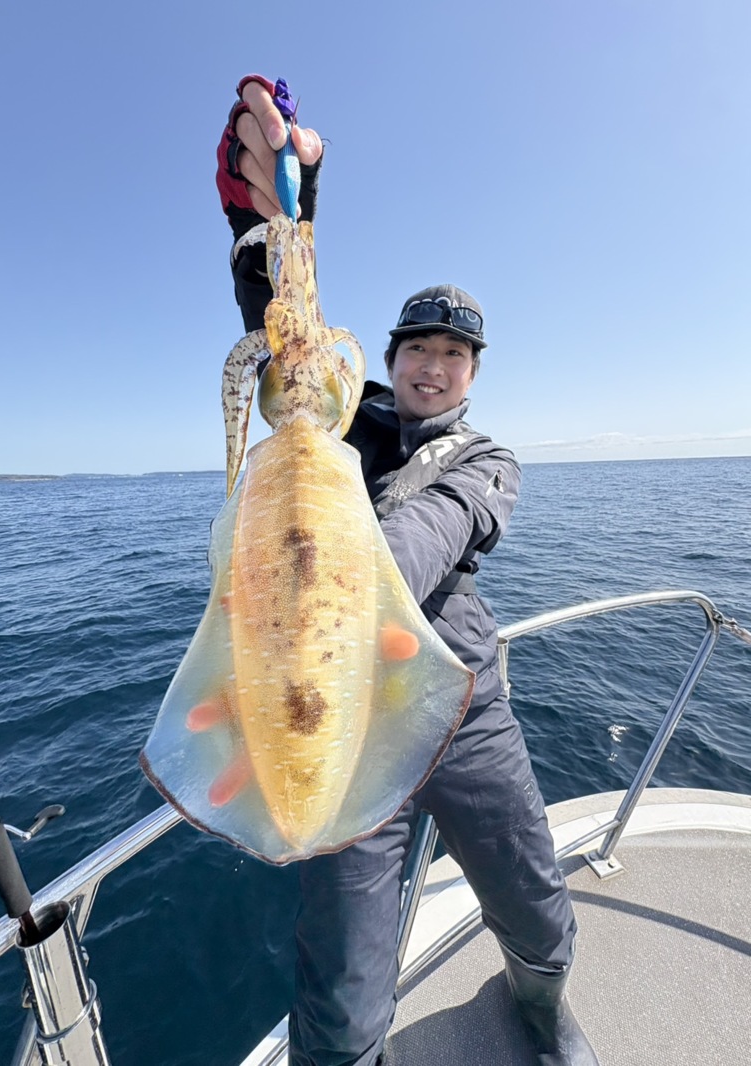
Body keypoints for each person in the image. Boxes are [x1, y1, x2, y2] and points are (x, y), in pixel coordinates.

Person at [216, 75, 599, 1066]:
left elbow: (434, 531)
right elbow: (289, 348)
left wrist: (354, 564)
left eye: (452, 353)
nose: (432, 365)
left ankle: (539, 997)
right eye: (417, 347)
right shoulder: (345, 420)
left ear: (472, 375)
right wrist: (270, 223)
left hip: (464, 705)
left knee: (532, 891)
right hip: (348, 719)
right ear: (386, 357)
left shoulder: (487, 462)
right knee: (341, 983)